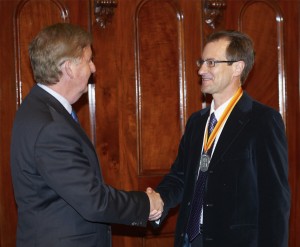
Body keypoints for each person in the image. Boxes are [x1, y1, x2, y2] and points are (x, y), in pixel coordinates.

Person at [10, 23, 163, 247]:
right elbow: (94, 201)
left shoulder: (39, 108)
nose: (93, 68)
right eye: (88, 59)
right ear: (69, 68)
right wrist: (146, 203)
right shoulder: (50, 125)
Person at [149, 30, 290, 247]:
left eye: (211, 63)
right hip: (190, 240)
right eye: (202, 62)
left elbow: (275, 202)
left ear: (238, 67)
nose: (201, 70)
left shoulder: (263, 121)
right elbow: (180, 177)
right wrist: (159, 199)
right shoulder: (197, 122)